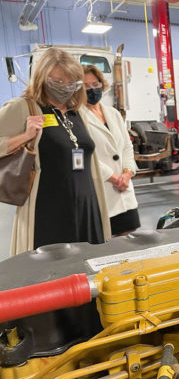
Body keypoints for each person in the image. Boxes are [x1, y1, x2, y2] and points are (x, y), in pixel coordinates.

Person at [0, 47, 110, 256]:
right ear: (41, 78)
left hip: (87, 205)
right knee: (52, 273)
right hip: (48, 208)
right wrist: (24, 136)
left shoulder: (76, 112)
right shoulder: (23, 107)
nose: (65, 88)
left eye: (72, 83)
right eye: (57, 82)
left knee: (87, 269)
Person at [82, 65, 141, 236]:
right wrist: (114, 178)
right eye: (85, 86)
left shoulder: (113, 113)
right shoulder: (76, 117)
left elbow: (126, 147)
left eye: (95, 84)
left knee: (130, 238)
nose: (92, 89)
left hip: (124, 188)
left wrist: (127, 173)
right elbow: (86, 155)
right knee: (106, 243)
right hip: (102, 188)